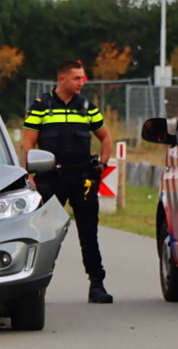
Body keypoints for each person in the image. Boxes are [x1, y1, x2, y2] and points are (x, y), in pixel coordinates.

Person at [23, 59, 113, 303]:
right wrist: (30, 175)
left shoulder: (86, 107)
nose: (81, 82)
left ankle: (97, 284)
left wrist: (102, 165)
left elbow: (106, 137)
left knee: (89, 234)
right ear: (62, 79)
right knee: (44, 234)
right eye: (77, 78)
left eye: (82, 78)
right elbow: (29, 143)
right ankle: (34, 289)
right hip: (50, 179)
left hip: (81, 178)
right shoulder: (41, 106)